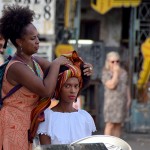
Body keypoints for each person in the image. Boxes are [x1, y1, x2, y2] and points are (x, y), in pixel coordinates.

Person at [0, 5, 93, 150]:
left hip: (28, 123)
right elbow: (46, 90)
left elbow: (63, 73)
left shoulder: (34, 61)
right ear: (19, 42)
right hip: (13, 123)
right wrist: (56, 62)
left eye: (37, 37)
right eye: (32, 38)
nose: (37, 41)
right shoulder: (16, 67)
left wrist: (83, 68)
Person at [36, 51, 96, 145]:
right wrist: (56, 63)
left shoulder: (85, 117)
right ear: (58, 88)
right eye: (67, 86)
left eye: (76, 86)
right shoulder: (47, 117)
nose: (73, 91)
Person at [101, 51, 131, 138]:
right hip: (111, 103)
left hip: (121, 102)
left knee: (118, 125)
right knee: (110, 124)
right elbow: (111, 85)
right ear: (108, 62)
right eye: (113, 61)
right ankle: (107, 145)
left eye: (117, 61)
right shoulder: (105, 72)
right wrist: (116, 73)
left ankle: (116, 145)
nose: (115, 63)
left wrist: (129, 99)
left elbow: (127, 85)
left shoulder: (124, 72)